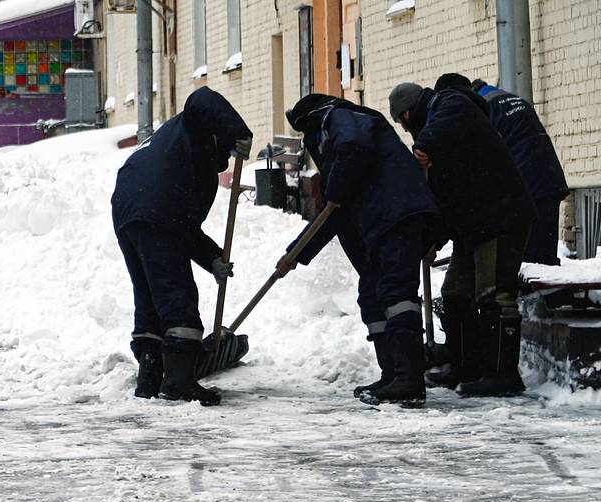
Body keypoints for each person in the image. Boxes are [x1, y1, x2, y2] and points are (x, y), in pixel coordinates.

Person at [278, 94, 440, 406]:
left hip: (398, 214)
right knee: (372, 294)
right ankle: (393, 374)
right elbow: (332, 214)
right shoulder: (341, 151)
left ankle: (409, 380)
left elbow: (353, 149)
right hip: (384, 219)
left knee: (395, 293)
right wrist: (295, 255)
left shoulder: (339, 118)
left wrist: (336, 188)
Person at [389, 79, 536, 397]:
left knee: (495, 295)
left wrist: (424, 144)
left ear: (410, 110)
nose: (404, 127)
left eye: (402, 119)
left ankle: (502, 374)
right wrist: (433, 240)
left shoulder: (449, 103)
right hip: (473, 225)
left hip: (500, 216)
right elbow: (447, 200)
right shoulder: (442, 143)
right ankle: (464, 367)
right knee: (455, 295)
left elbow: (448, 116)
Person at [110, 87, 249, 406]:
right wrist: (238, 131)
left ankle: (150, 374)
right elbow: (202, 96)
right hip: (155, 209)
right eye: (225, 150)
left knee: (149, 294)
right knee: (177, 296)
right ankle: (179, 381)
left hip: (127, 207)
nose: (226, 158)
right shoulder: (194, 125)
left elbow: (185, 228)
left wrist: (213, 258)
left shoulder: (176, 150)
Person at [433, 73, 569, 266]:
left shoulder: (479, 108)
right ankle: (551, 294)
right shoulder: (509, 98)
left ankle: (540, 295)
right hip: (549, 179)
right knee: (544, 258)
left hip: (525, 188)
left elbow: (483, 158)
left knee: (528, 262)